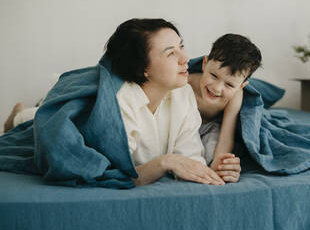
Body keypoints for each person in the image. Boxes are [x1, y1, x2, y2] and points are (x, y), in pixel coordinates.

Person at [1, 18, 227, 187]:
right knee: (37, 122)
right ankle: (17, 118)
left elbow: (189, 162)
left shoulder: (183, 94)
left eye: (182, 46)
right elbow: (113, 174)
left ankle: (23, 115)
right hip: (82, 123)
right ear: (143, 69)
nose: (186, 58)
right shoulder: (119, 105)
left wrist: (213, 169)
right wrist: (166, 162)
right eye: (170, 53)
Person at [188, 33, 262, 182]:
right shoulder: (186, 84)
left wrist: (218, 166)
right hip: (185, 125)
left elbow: (226, 135)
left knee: (211, 155)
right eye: (214, 76)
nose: (216, 88)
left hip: (213, 126)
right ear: (204, 63)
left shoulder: (235, 96)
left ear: (241, 86)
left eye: (229, 84)